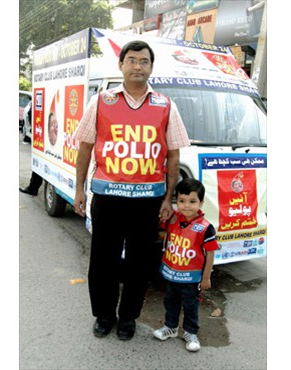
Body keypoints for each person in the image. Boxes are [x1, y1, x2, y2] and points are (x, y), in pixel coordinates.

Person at [73, 40, 190, 341]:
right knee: (103, 261)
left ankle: (128, 319)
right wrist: (79, 190)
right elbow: (85, 147)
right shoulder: (101, 102)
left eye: (144, 61)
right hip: (108, 198)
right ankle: (103, 315)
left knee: (139, 264)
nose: (138, 66)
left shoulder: (165, 105)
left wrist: (168, 198)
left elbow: (173, 155)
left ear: (151, 67)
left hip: (147, 202)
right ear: (121, 65)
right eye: (132, 60)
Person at [152, 178, 219, 352]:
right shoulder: (172, 219)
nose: (186, 206)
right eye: (181, 201)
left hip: (191, 278)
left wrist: (206, 277)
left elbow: (210, 253)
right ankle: (171, 327)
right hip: (171, 274)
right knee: (170, 302)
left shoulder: (205, 228)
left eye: (192, 202)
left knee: (190, 305)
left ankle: (191, 332)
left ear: (201, 203)